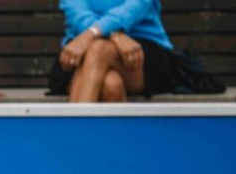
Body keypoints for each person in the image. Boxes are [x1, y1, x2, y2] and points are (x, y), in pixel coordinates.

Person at [48, 0, 178, 102]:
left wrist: (94, 33)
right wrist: (114, 35)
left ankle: (77, 133)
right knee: (111, 85)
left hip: (142, 51)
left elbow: (134, 9)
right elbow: (77, 15)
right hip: (81, 50)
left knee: (99, 49)